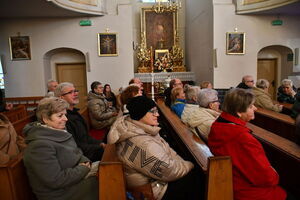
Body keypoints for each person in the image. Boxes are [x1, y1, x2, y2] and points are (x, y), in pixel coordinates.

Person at [108, 96, 199, 200]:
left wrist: (181, 162)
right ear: (140, 114)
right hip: (154, 190)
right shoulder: (142, 143)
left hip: (155, 178)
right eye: (153, 111)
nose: (157, 114)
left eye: (157, 110)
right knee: (197, 177)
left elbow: (167, 151)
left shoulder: (136, 127)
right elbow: (168, 170)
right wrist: (189, 165)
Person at [208, 88, 287, 200]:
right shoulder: (242, 137)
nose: (255, 108)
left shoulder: (219, 125)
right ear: (239, 112)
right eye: (250, 106)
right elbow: (265, 177)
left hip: (230, 181)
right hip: (247, 191)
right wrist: (275, 174)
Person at [23, 97, 98, 200]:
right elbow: (55, 180)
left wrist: (85, 162)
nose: (66, 119)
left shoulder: (59, 131)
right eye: (60, 116)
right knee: (108, 180)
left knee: (110, 170)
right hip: (61, 194)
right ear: (45, 119)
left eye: (65, 115)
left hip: (74, 180)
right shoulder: (39, 147)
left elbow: (77, 152)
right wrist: (83, 168)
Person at [54, 82, 105, 162]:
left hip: (87, 150)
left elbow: (86, 137)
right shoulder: (63, 119)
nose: (76, 94)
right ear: (61, 97)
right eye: (70, 92)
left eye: (75, 91)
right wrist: (99, 147)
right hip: (80, 156)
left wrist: (100, 143)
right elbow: (75, 145)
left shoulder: (75, 113)